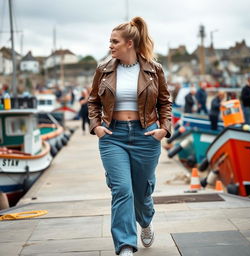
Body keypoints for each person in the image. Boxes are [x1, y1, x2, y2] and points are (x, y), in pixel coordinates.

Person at [88, 17, 172, 256]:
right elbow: (93, 101)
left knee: (142, 190)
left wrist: (164, 129)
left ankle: (145, 221)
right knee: (122, 189)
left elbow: (165, 102)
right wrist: (96, 127)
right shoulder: (103, 70)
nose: (110, 46)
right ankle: (125, 245)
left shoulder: (154, 70)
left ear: (129, 44)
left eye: (114, 41)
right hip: (113, 136)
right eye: (110, 41)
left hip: (146, 135)